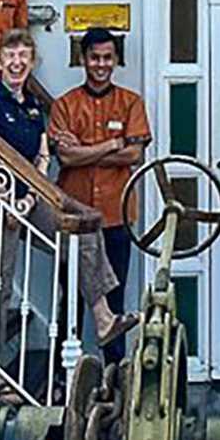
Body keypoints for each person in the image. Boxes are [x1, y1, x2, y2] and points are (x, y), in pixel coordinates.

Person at [0, 31, 134, 359]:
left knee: (85, 228)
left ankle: (103, 317)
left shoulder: (34, 108)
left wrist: (25, 201)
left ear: (32, 63)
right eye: (10, 56)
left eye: (24, 56)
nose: (17, 62)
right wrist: (7, 197)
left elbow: (41, 158)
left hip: (24, 203)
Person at [49, 28, 153, 355]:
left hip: (115, 216)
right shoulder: (65, 105)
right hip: (75, 220)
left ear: (116, 60)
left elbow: (135, 156)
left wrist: (85, 151)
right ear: (83, 59)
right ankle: (63, 380)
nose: (101, 64)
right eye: (95, 57)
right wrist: (111, 145)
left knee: (115, 300)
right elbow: (65, 157)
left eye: (107, 58)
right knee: (71, 302)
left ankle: (113, 375)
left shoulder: (131, 102)